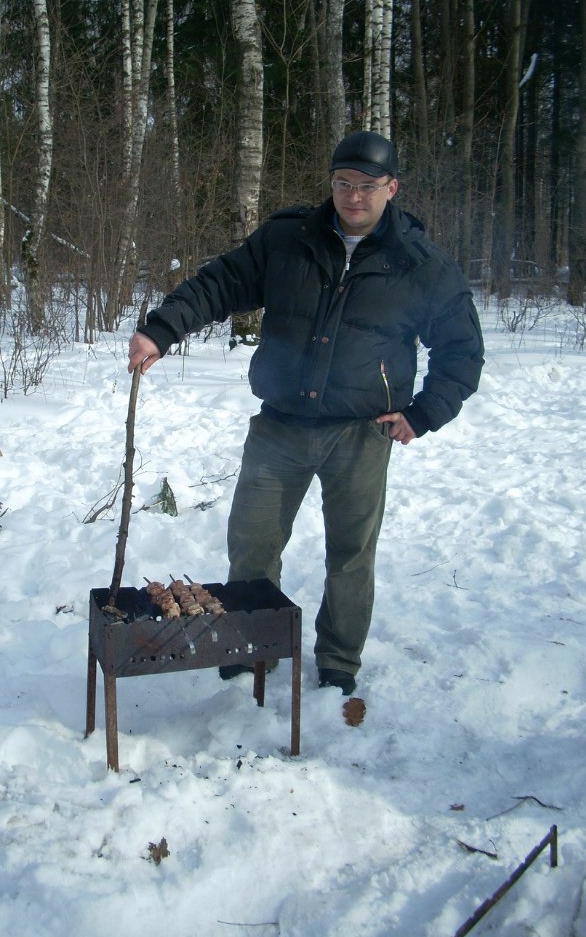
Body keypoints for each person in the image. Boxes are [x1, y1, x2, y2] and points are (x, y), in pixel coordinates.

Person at [127, 131, 484, 696]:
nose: (354, 197)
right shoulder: (288, 238)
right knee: (252, 543)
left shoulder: (420, 265)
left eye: (367, 186)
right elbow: (220, 283)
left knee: (351, 553)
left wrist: (424, 413)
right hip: (281, 425)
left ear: (392, 188)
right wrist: (162, 328)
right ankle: (249, 642)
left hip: (362, 433)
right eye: (343, 183)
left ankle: (339, 659)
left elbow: (462, 352)